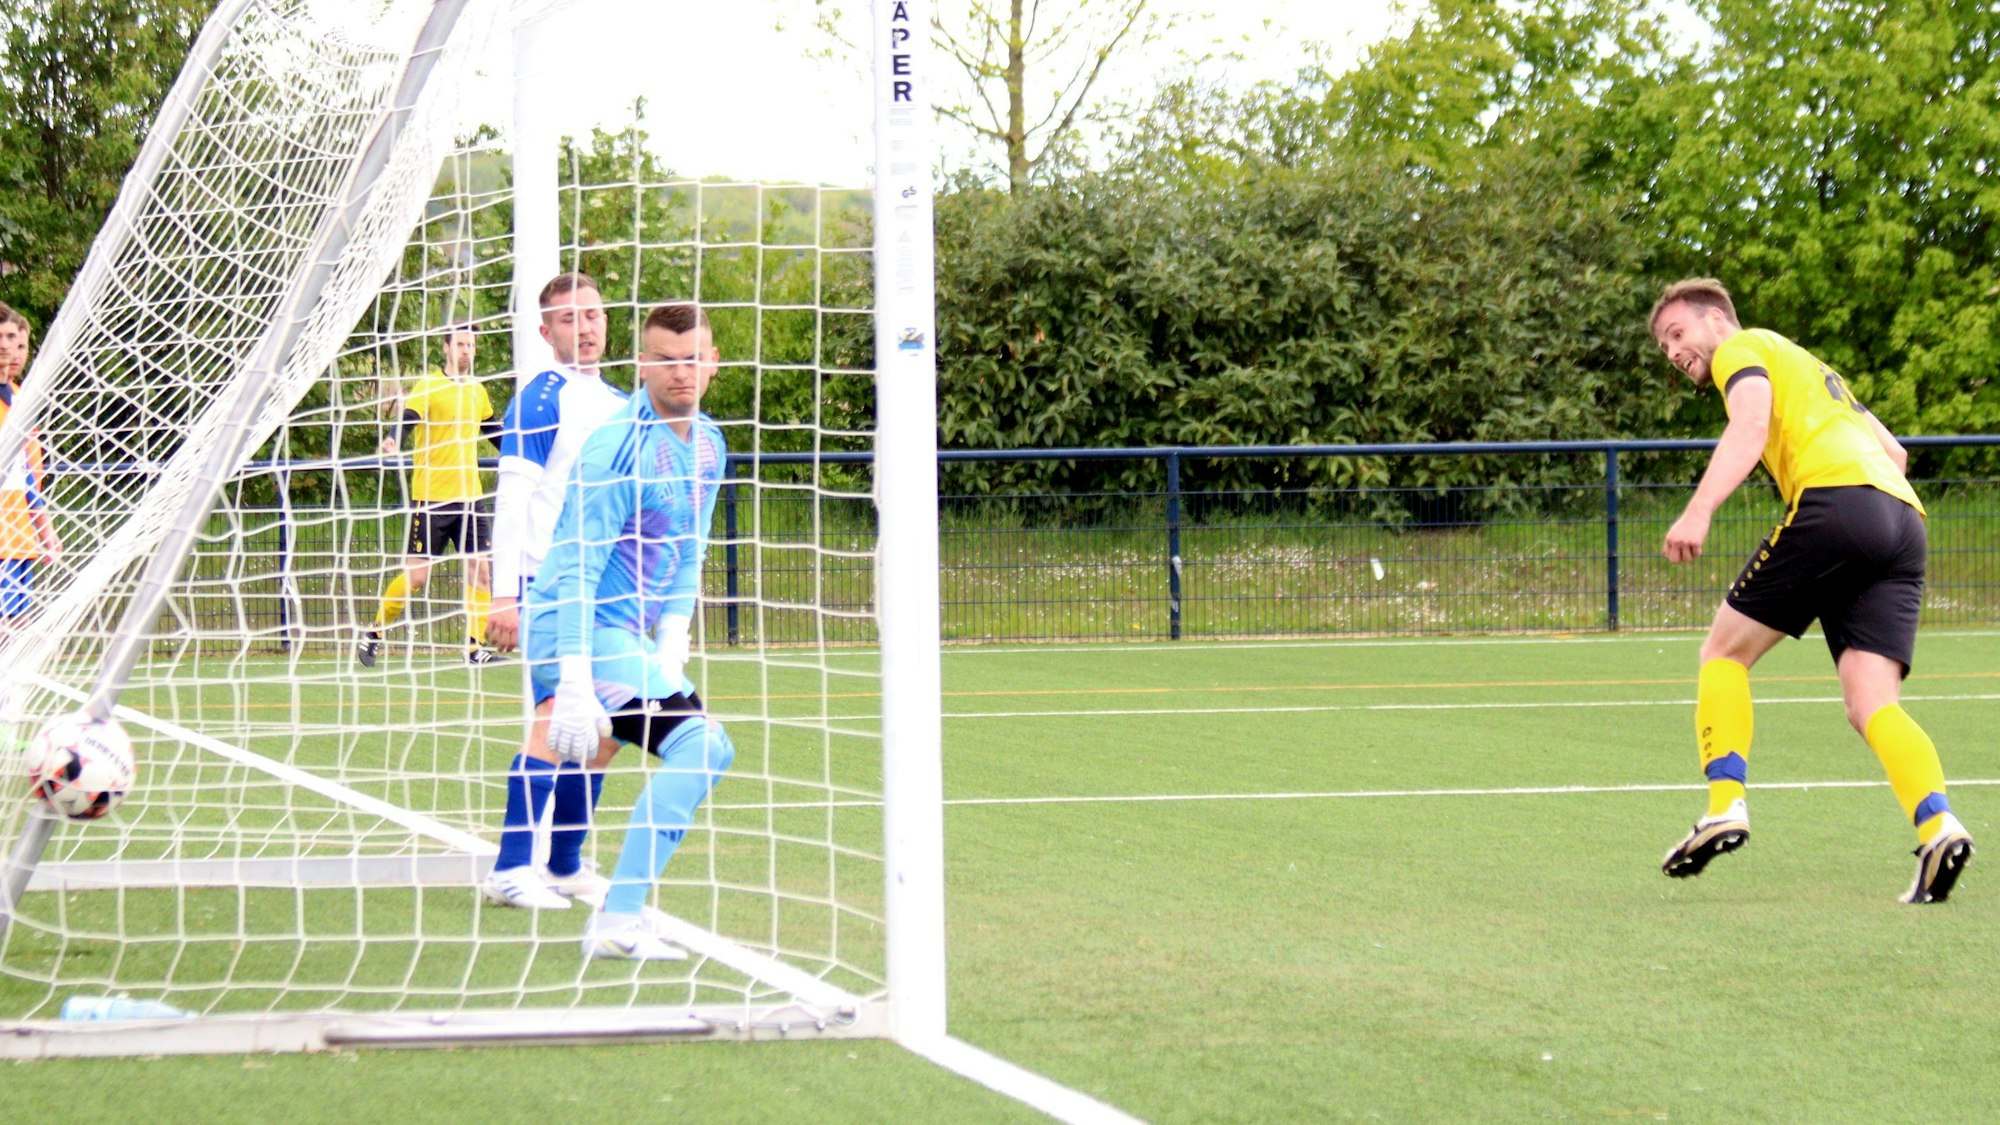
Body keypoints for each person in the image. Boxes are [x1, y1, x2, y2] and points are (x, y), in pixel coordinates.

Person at [1650, 277, 1973, 903]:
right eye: (1665, 345)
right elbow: (1896, 455)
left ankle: (1725, 804)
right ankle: (1939, 826)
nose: (1673, 351)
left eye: (1677, 333)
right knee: (1871, 703)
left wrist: (1699, 510)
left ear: (1716, 320)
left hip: (1837, 505)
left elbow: (1749, 427)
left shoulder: (1741, 349)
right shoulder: (1812, 368)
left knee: (1723, 653)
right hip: (1903, 522)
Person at [511, 302, 731, 960]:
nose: (680, 372)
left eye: (692, 359)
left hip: (626, 635)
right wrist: (574, 681)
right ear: (642, 364)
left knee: (672, 750)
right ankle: (614, 920)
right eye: (665, 360)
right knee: (702, 747)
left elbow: (689, 547)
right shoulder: (617, 446)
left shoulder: (709, 443)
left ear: (712, 363)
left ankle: (575, 878)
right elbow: (578, 570)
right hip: (571, 625)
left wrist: (672, 643)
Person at [479, 273, 630, 910]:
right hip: (547, 586)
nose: (586, 327)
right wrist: (504, 595)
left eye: (592, 315)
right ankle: (512, 868)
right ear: (546, 332)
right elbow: (512, 502)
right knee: (553, 717)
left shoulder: (623, 404)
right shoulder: (541, 400)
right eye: (570, 319)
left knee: (607, 728)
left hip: (605, 590)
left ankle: (564, 866)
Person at [357, 323, 503, 667]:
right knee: (417, 577)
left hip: (470, 498)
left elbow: (494, 432)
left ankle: (475, 648)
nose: (467, 351)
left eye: (471, 345)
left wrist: (525, 451)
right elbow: (408, 419)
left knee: (481, 572)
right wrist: (394, 439)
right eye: (461, 344)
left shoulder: (478, 391)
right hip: (432, 499)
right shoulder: (429, 386)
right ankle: (374, 632)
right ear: (446, 348)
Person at [0, 304, 61, 638]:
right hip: (4, 532)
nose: (10, 348)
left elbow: (26, 474)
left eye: (17, 341)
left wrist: (43, 526)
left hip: (18, 530)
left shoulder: (19, 397)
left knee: (17, 624)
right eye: (4, 338)